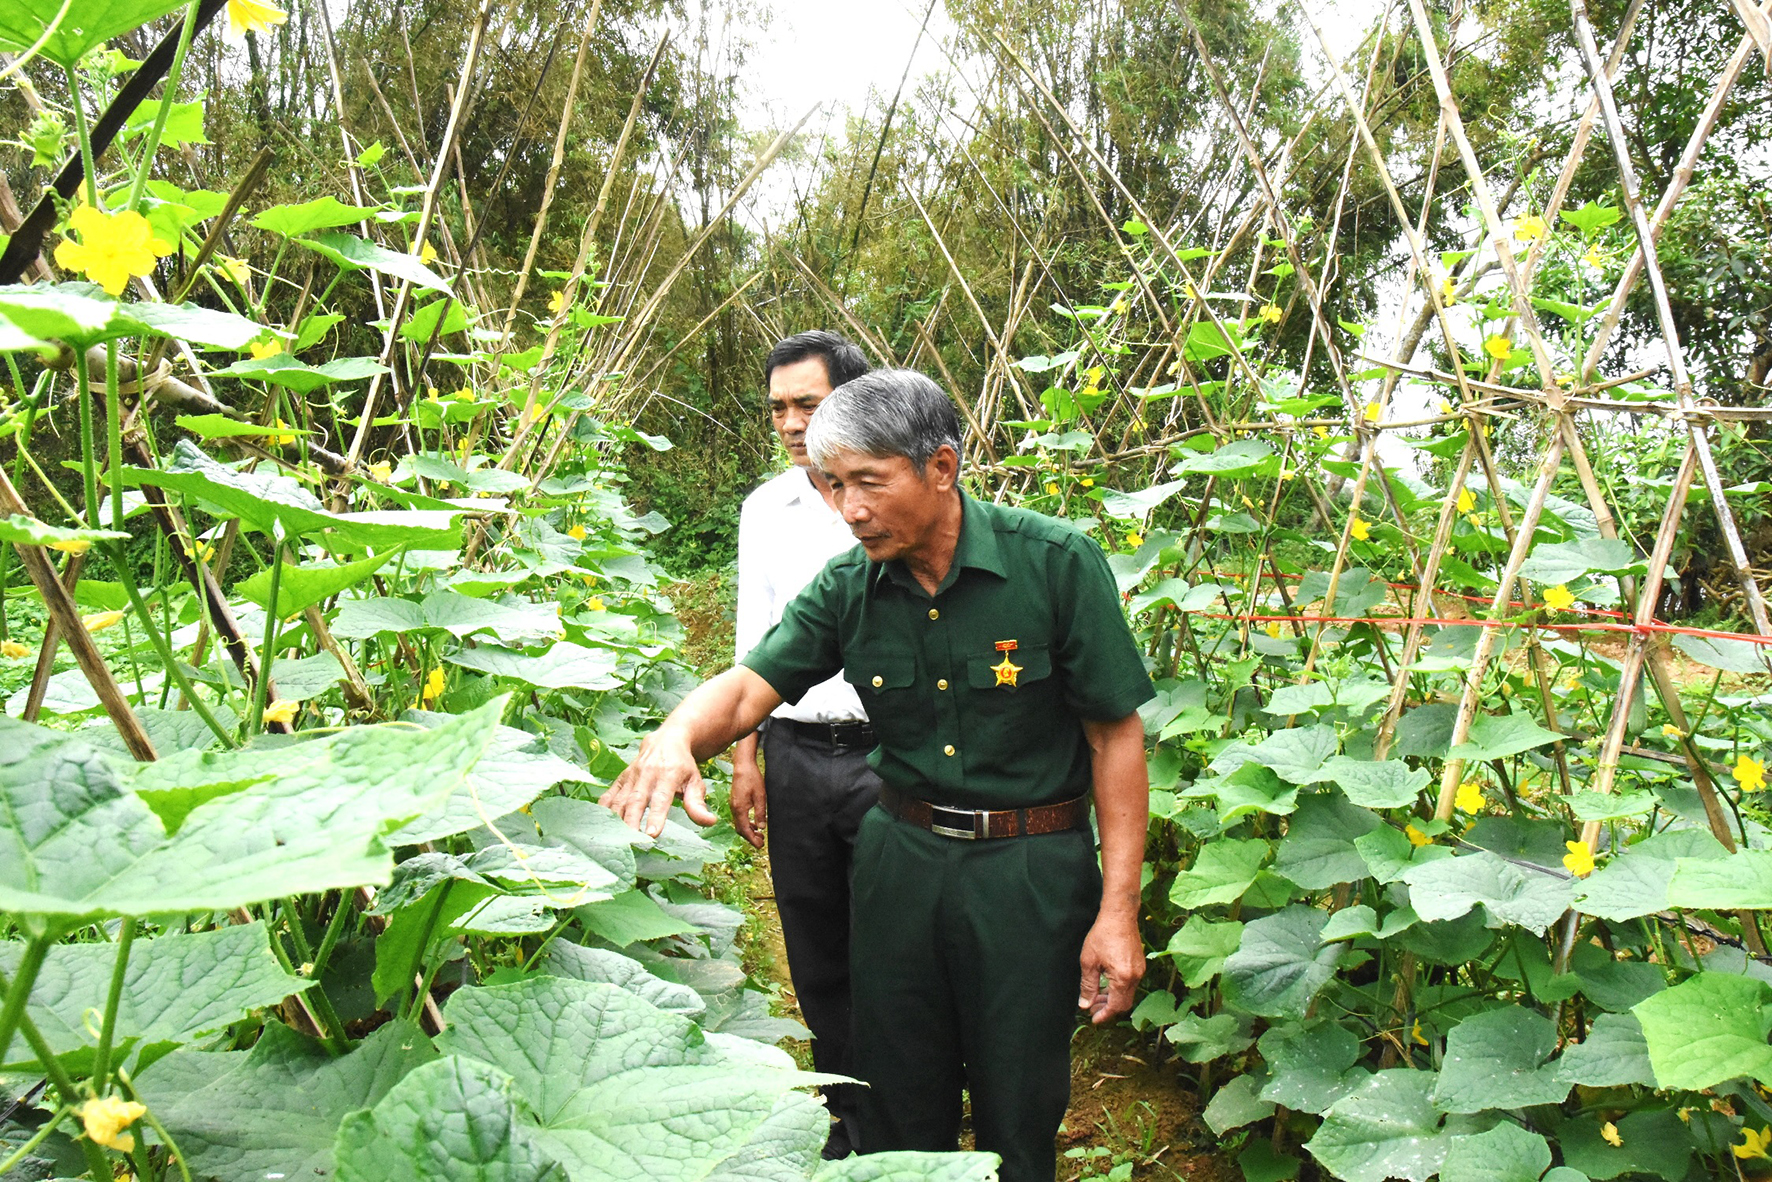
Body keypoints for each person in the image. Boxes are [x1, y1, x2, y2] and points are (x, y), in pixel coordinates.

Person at [602, 368, 1153, 1182]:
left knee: (1021, 1104)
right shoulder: (849, 587)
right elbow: (754, 685)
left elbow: (1116, 737)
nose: (850, 509)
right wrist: (678, 732)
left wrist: (1117, 911)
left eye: (869, 481)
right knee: (895, 1094)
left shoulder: (1056, 564)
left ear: (940, 466)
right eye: (832, 487)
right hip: (900, 863)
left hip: (1030, 872)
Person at [731, 329, 876, 1158]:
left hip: (886, 750)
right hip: (793, 746)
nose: (790, 422)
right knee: (814, 937)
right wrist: (746, 757)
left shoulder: (885, 497)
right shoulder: (766, 508)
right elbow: (757, 639)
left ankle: (909, 1109)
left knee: (891, 934)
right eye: (779, 406)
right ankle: (845, 1117)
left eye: (807, 404)